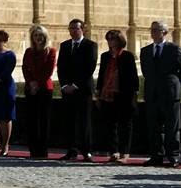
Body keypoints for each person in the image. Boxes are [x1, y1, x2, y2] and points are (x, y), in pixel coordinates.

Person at [139, 21, 181, 167]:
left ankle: (173, 156)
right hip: (152, 93)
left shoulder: (174, 49)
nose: (153, 32)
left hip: (170, 93)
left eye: (156, 30)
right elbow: (146, 71)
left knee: (172, 126)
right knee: (154, 127)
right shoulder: (145, 51)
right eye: (152, 30)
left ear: (164, 32)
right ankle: (156, 155)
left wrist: (174, 86)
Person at [56, 18, 98, 162]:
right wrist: (64, 85)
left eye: (76, 28)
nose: (73, 31)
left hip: (83, 89)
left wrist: (75, 85)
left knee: (85, 121)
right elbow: (60, 67)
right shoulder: (65, 45)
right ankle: (71, 150)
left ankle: (87, 151)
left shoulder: (90, 45)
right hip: (67, 90)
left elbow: (89, 67)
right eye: (71, 28)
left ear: (83, 30)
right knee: (69, 121)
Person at [95, 28, 138, 162]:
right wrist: (98, 91)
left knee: (125, 125)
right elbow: (102, 75)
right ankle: (114, 151)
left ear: (119, 40)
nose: (110, 41)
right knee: (110, 125)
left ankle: (125, 152)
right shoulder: (105, 56)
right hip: (108, 94)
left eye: (112, 38)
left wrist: (133, 94)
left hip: (123, 94)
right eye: (108, 39)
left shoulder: (127, 56)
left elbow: (133, 77)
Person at [21, 24, 56, 158]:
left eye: (41, 36)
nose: (38, 38)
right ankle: (33, 149)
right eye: (36, 35)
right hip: (30, 88)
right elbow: (24, 68)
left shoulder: (51, 51)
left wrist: (37, 84)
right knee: (31, 120)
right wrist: (31, 82)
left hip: (44, 89)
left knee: (43, 120)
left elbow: (49, 70)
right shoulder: (29, 52)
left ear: (45, 37)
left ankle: (43, 150)